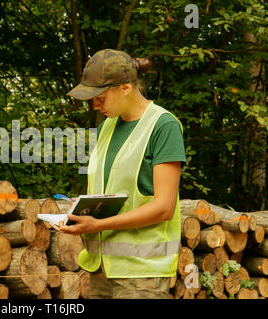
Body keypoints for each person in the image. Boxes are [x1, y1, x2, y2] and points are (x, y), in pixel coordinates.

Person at [51, 49, 187, 299]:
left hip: (141, 275)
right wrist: (82, 208)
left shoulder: (164, 126)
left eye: (100, 97)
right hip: (101, 269)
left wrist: (98, 224)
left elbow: (164, 208)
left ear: (125, 87)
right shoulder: (107, 127)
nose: (94, 105)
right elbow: (112, 191)